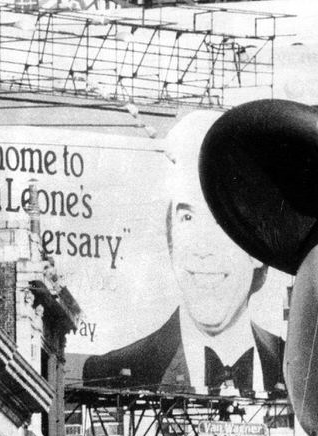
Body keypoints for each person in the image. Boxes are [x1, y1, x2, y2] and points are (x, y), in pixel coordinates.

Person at [80, 111, 285, 399]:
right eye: (188, 218)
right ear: (171, 239)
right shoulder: (112, 373)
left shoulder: (303, 374)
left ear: (257, 251)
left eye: (222, 223)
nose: (202, 249)